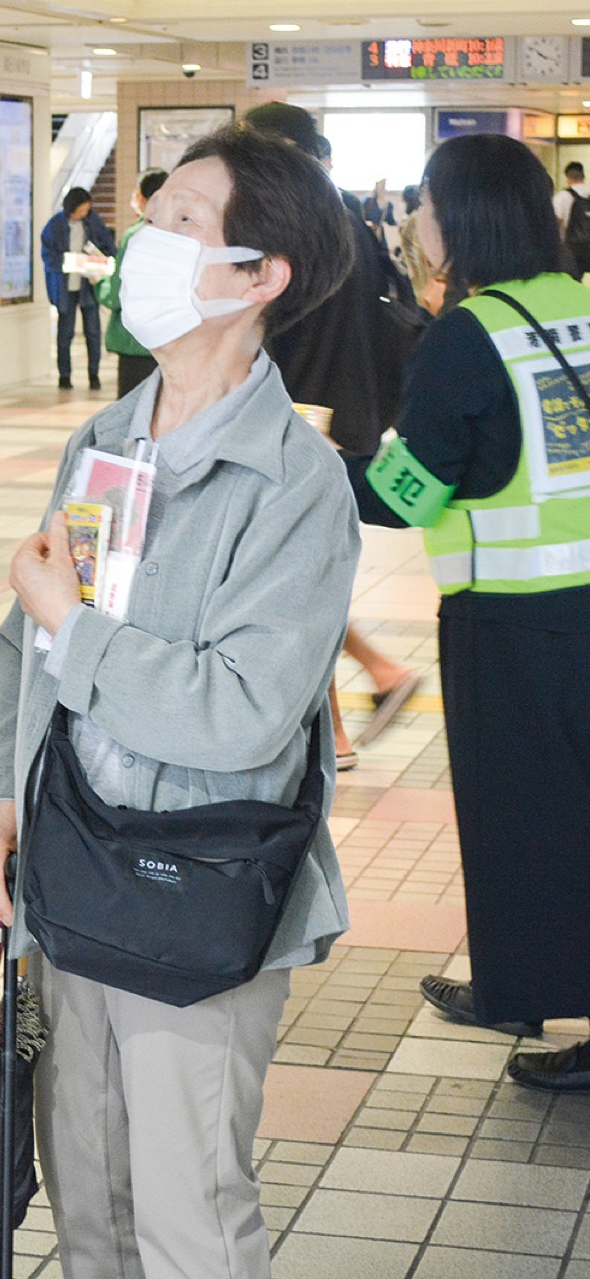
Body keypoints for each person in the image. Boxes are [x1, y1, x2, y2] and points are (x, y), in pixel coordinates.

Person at [0, 124, 359, 1279]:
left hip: (197, 891)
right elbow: (19, 643)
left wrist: (71, 627)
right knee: (89, 1196)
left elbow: (241, 712)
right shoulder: (106, 441)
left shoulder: (295, 482)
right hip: (72, 877)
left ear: (258, 275)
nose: (145, 239)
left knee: (189, 1211)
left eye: (182, 221)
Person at [347, 134, 590, 1090]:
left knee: (521, 816)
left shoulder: (471, 333)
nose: (419, 223)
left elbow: (408, 492)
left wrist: (313, 466)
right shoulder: (579, 305)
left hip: (511, 620)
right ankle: (518, 985)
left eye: (430, 206)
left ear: (464, 220)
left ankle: (531, 991)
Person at [246, 103, 420, 767]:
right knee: (302, 573)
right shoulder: (349, 213)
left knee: (290, 579)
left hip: (291, 423)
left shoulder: (282, 224)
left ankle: (348, 716)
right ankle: (369, 685)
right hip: (351, 422)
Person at [96, 167, 167, 397]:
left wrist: (100, 282)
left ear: (142, 197)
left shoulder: (136, 234)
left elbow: (118, 294)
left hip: (135, 343)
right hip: (170, 341)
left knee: (132, 415)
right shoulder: (184, 233)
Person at [41, 187, 117, 390]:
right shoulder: (55, 225)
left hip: (88, 286)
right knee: (65, 334)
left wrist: (100, 264)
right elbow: (48, 255)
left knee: (93, 332)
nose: (84, 213)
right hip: (65, 286)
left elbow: (109, 248)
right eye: (81, 209)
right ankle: (64, 376)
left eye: (86, 209)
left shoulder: (93, 222)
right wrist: (68, 262)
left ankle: (94, 374)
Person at [553, 160, 590, 279]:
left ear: (568, 177)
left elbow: (556, 222)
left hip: (573, 250)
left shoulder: (563, 196)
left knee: (573, 281)